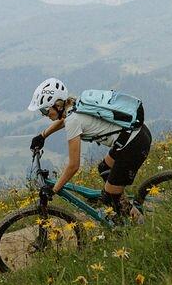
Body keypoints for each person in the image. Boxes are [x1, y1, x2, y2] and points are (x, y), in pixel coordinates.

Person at [27, 77, 153, 213]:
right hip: (136, 133)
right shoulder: (74, 104)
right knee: (104, 168)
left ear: (58, 106)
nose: (44, 115)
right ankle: (122, 202)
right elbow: (65, 119)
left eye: (45, 111)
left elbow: (73, 165)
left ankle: (133, 222)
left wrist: (54, 190)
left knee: (110, 197)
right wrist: (42, 135)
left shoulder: (73, 121)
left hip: (133, 145)